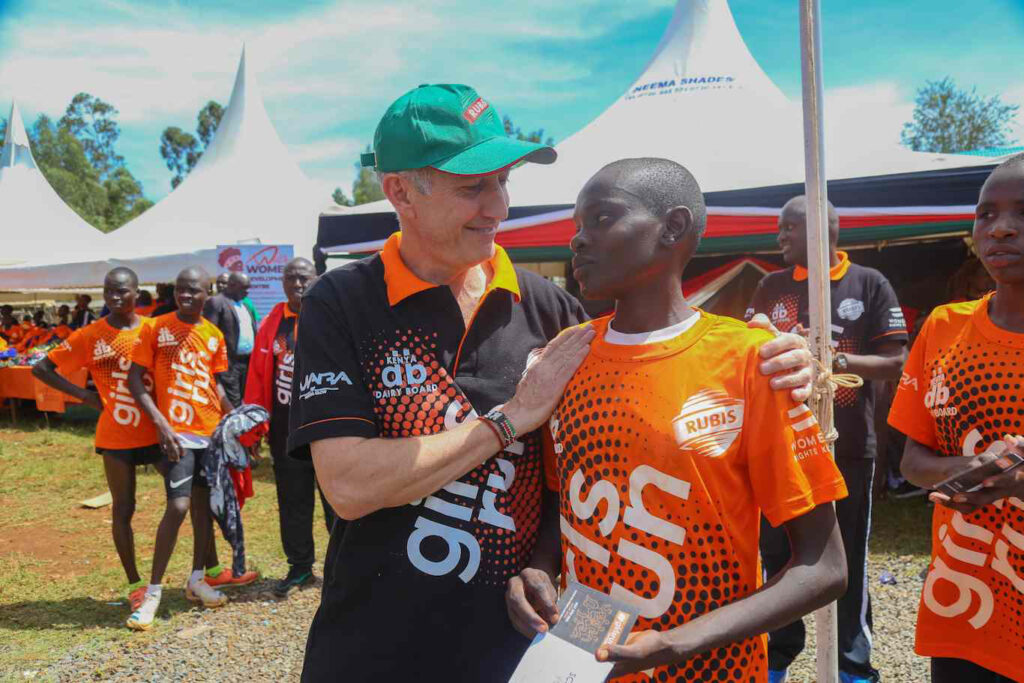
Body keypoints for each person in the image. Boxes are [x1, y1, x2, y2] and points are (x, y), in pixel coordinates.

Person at [287, 84, 815, 682]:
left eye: (503, 181)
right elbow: (349, 486)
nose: (499, 208)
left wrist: (768, 353)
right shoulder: (344, 301)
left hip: (519, 650)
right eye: (473, 187)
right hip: (375, 648)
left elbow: (648, 386)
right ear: (400, 192)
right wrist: (509, 418)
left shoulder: (552, 310)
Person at [505, 158, 848, 682]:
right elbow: (564, 498)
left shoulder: (750, 361)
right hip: (584, 657)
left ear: (674, 227)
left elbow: (825, 567)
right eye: (577, 226)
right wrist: (539, 565)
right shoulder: (567, 356)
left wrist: (677, 641)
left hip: (711, 668)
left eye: (600, 220)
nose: (577, 240)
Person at [745, 195, 907, 683]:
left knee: (848, 559)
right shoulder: (771, 286)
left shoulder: (867, 283)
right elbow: (749, 347)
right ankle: (777, 655)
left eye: (786, 230)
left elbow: (894, 362)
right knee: (776, 553)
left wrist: (832, 360)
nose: (779, 239)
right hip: (781, 444)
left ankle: (853, 667)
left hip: (849, 445)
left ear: (818, 229)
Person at [888, 154, 1024, 683]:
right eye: (985, 214)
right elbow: (914, 461)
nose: (1002, 228)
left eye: (1021, 213)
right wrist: (972, 470)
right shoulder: (945, 328)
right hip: (965, 605)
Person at [32, 268, 162, 621]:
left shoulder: (153, 329)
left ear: (138, 292)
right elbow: (41, 369)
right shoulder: (91, 334)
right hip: (116, 435)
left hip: (156, 432)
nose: (115, 297)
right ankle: (136, 586)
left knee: (189, 494)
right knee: (124, 509)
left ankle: (202, 571)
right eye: (109, 291)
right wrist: (85, 397)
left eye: (122, 291)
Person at [126, 267, 235, 628]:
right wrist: (160, 423)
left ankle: (197, 578)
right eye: (181, 291)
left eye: (194, 291)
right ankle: (153, 593)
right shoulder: (155, 327)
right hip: (176, 434)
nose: (185, 296)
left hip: (210, 434)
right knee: (179, 505)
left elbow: (214, 382)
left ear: (208, 293)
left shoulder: (213, 334)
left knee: (204, 510)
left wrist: (233, 417)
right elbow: (134, 380)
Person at [243, 257, 337, 597]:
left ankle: (342, 570)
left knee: (338, 502)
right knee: (293, 502)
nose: (298, 285)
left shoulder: (330, 313)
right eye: (292, 279)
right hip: (285, 432)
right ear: (283, 283)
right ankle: (299, 567)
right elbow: (257, 374)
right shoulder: (272, 322)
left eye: (304, 278)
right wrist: (253, 427)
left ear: (316, 279)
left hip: (330, 430)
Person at [203, 272, 259, 407]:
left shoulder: (244, 304)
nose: (247, 292)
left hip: (247, 363)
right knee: (233, 403)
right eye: (244, 288)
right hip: (229, 364)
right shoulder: (217, 302)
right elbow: (210, 334)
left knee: (246, 400)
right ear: (232, 285)